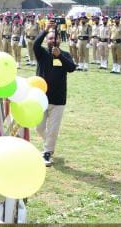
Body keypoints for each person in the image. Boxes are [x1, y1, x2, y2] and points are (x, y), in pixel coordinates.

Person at [33, 21, 76, 166]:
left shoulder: (65, 55)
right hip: (41, 97)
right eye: (50, 38)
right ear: (47, 40)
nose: (53, 40)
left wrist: (60, 57)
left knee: (53, 128)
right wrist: (45, 30)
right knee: (39, 127)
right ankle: (49, 144)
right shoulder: (42, 53)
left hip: (58, 99)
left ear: (60, 40)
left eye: (55, 38)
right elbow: (35, 45)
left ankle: (47, 152)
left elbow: (71, 68)